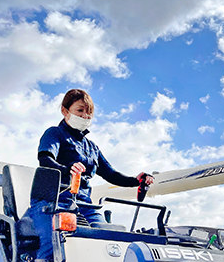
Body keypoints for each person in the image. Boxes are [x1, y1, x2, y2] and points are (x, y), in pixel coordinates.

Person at [37, 89, 154, 225]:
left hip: (86, 205)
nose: (85, 116)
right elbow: (45, 159)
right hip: (56, 202)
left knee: (104, 232)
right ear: (65, 111)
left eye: (89, 112)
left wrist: (135, 181)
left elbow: (110, 174)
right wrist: (67, 169)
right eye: (80, 110)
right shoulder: (54, 133)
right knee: (68, 236)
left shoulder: (92, 147)